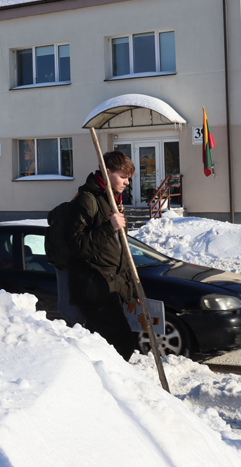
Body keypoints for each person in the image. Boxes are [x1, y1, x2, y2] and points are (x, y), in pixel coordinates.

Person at [65, 151, 139, 361]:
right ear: (107, 173)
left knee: (104, 347)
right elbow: (78, 247)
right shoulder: (87, 201)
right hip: (95, 290)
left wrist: (132, 287)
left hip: (112, 288)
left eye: (128, 178)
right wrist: (109, 227)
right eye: (123, 177)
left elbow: (119, 250)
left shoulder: (113, 200)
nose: (127, 182)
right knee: (123, 344)